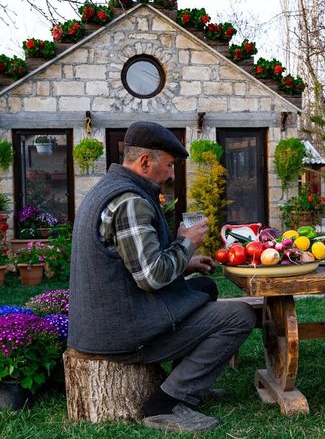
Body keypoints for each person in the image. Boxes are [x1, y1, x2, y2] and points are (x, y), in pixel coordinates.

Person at [68, 121, 256, 434]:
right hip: (120, 334)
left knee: (205, 286)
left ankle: (183, 380)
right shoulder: (130, 202)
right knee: (240, 315)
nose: (171, 175)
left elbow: (134, 263)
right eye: (169, 166)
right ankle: (165, 403)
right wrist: (187, 242)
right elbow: (151, 277)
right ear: (145, 162)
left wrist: (186, 263)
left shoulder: (111, 188)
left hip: (112, 318)